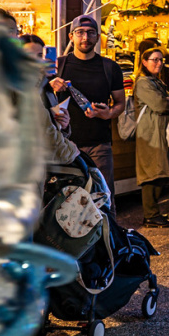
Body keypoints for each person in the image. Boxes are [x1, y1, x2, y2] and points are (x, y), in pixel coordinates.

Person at [50, 15, 125, 212]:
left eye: (91, 33)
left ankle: (109, 241)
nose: (86, 37)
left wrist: (108, 114)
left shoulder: (110, 68)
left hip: (99, 145)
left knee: (104, 198)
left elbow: (120, 104)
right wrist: (49, 86)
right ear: (71, 36)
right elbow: (39, 100)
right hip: (64, 145)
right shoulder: (58, 66)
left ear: (98, 36)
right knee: (64, 200)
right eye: (80, 32)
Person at [20, 34, 79, 165]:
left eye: (40, 55)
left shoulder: (45, 86)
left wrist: (63, 124)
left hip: (47, 163)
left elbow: (51, 127)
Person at [134, 48, 169, 228]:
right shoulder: (143, 82)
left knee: (160, 172)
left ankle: (153, 213)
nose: (159, 63)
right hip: (150, 135)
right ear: (144, 62)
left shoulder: (155, 81)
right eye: (154, 60)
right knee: (151, 174)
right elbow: (159, 104)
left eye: (161, 60)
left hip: (157, 133)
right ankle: (150, 215)